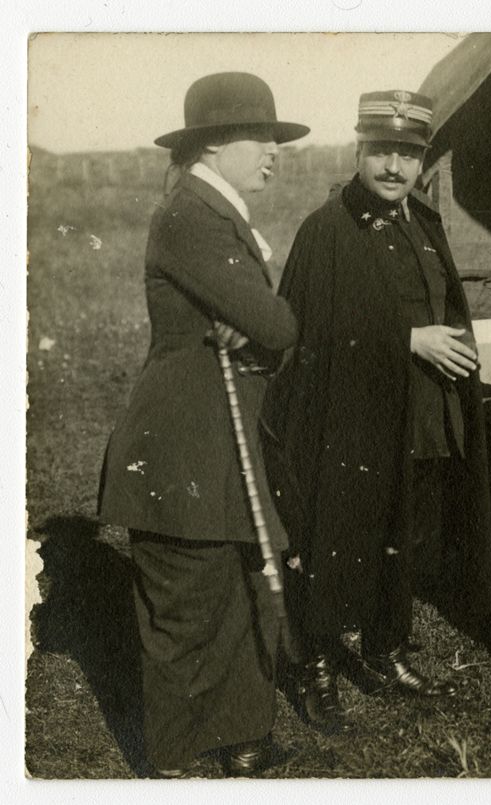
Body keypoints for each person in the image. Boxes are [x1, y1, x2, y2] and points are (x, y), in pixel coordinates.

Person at [262, 90, 491, 733]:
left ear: (423, 160)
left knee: (404, 537)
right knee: (338, 539)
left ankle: (386, 650)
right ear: (358, 150)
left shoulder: (424, 221)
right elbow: (304, 336)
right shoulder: (326, 229)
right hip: (350, 422)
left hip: (419, 415)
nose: (395, 167)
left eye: (409, 154)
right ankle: (315, 670)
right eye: (382, 151)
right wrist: (407, 340)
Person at [97, 72, 307, 777]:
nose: (275, 151)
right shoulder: (189, 215)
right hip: (182, 438)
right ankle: (178, 757)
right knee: (187, 598)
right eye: (261, 138)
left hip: (221, 434)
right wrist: (255, 329)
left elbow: (262, 327)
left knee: (235, 582)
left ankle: (243, 734)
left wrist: (251, 327)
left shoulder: (220, 213)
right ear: (215, 144)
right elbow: (277, 325)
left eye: (276, 138)